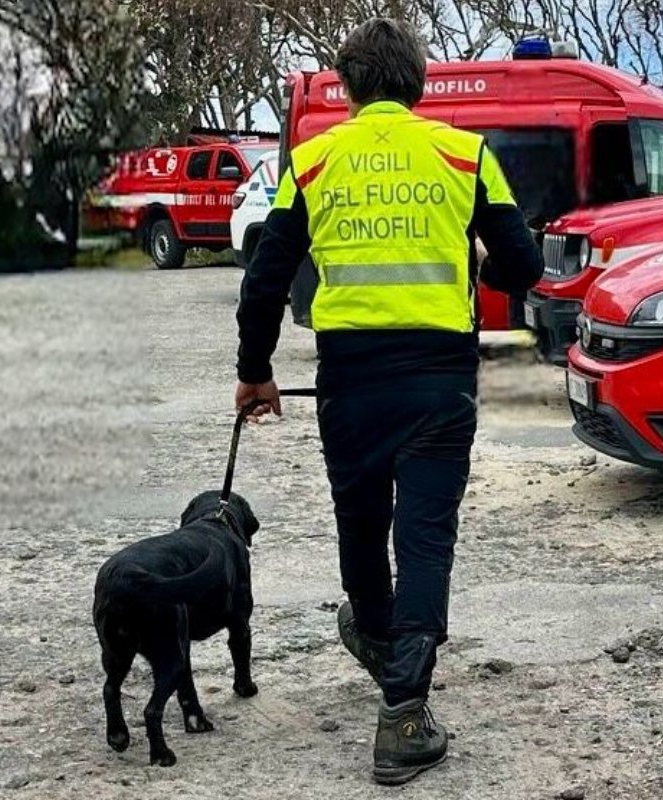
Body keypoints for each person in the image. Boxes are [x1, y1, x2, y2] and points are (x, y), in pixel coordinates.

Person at [233, 18, 543, 786]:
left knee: (363, 524)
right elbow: (525, 269)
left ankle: (378, 636)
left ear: (347, 86)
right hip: (440, 381)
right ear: (419, 82)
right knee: (427, 537)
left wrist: (256, 371)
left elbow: (266, 279)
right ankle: (403, 711)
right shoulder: (463, 155)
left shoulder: (310, 162)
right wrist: (476, 261)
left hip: (351, 381)